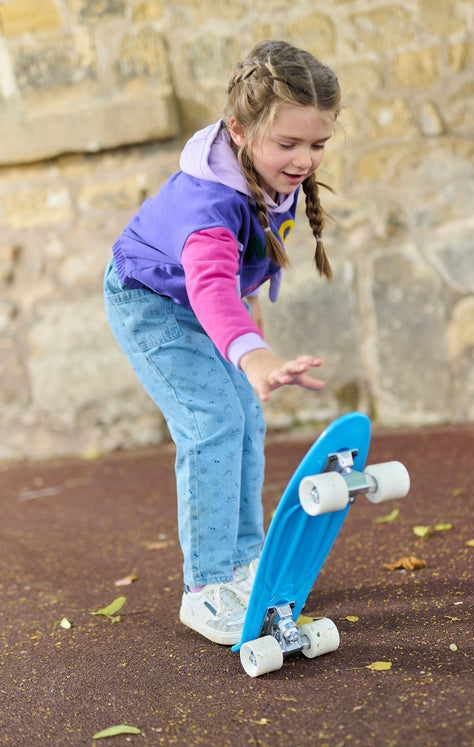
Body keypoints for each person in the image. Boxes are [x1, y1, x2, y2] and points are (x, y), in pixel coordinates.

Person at [104, 40, 341, 645]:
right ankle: (206, 587)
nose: (305, 159)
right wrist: (254, 355)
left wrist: (250, 344)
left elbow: (245, 276)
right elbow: (210, 284)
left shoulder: (270, 177)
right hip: (152, 305)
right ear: (238, 129)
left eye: (317, 144)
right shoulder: (210, 200)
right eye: (288, 144)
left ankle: (243, 561)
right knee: (211, 422)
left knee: (245, 420)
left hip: (202, 310)